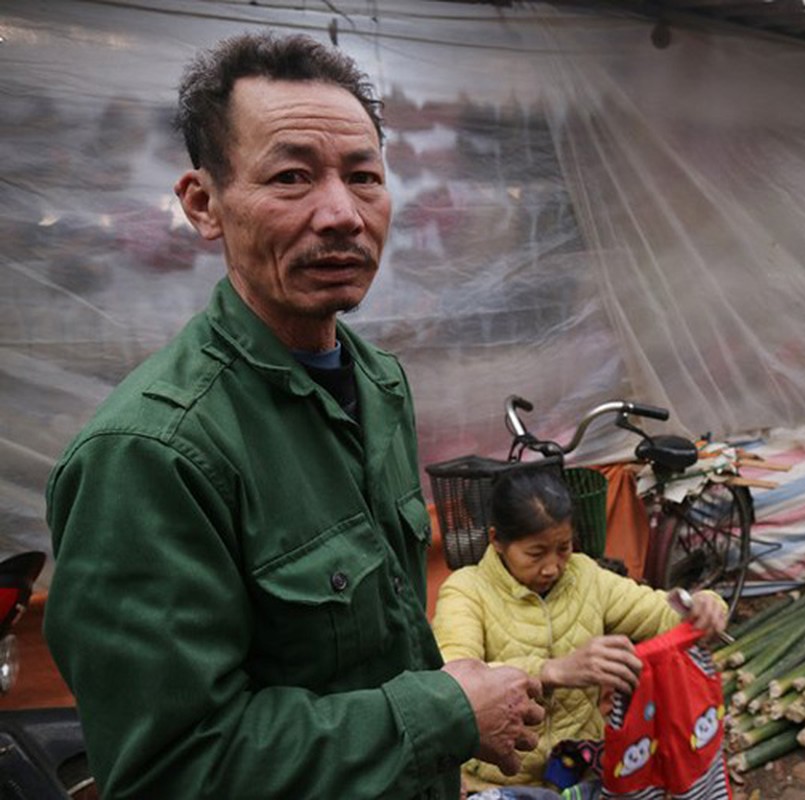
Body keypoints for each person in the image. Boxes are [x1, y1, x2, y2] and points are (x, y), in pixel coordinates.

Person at [42, 32, 544, 800]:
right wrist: (441, 711)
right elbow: (173, 770)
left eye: (364, 176)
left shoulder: (377, 382)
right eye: (291, 177)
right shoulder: (148, 454)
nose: (342, 213)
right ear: (202, 205)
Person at [431, 467, 728, 794]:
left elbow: (660, 614)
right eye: (536, 553)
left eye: (563, 548)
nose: (552, 567)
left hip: (580, 769)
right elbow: (454, 684)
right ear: (496, 541)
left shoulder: (585, 576)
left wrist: (704, 605)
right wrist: (551, 671)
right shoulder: (466, 590)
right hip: (498, 780)